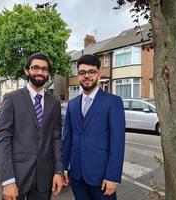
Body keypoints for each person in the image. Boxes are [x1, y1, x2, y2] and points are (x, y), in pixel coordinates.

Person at [0, 52, 63, 200]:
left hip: (44, 179)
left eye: (44, 69)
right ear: (27, 70)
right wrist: (7, 180)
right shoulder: (11, 99)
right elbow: (3, 139)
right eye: (35, 68)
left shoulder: (54, 103)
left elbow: (56, 138)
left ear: (48, 73)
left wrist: (58, 171)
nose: (40, 72)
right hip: (17, 177)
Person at [62, 54, 125, 200]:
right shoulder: (72, 104)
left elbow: (117, 142)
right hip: (77, 176)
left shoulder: (113, 102)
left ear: (98, 74)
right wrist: (64, 167)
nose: (87, 76)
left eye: (91, 72)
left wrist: (113, 176)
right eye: (82, 72)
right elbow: (67, 138)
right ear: (78, 75)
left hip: (102, 177)